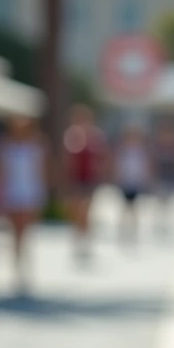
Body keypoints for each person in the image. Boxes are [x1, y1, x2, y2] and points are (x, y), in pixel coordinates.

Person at [0, 116, 48, 293]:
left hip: (30, 193)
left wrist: (41, 195)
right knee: (14, 233)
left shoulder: (36, 146)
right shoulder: (6, 146)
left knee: (26, 232)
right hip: (12, 193)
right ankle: (16, 268)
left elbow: (40, 172)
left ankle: (25, 267)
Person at [63, 105, 109, 263]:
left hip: (89, 179)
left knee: (87, 211)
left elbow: (101, 158)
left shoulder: (95, 136)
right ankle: (77, 240)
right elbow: (68, 159)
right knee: (76, 212)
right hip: (75, 179)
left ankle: (86, 242)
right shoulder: (71, 135)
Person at [113, 124, 152, 244]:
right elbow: (118, 167)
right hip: (125, 182)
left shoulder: (140, 152)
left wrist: (146, 180)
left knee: (134, 208)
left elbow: (145, 167)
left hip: (135, 182)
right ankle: (123, 230)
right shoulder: (123, 151)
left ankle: (134, 231)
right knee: (125, 207)